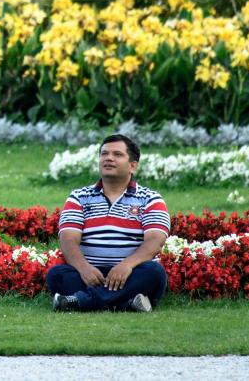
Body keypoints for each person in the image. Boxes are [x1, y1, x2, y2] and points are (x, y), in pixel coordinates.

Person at [47, 133, 170, 313]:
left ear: (133, 166)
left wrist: (126, 266)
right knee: (56, 275)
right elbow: (68, 240)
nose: (109, 158)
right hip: (90, 275)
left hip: (132, 274)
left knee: (154, 272)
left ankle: (81, 301)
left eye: (117, 154)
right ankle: (126, 303)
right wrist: (84, 268)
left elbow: (155, 242)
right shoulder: (79, 197)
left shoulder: (150, 199)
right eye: (104, 154)